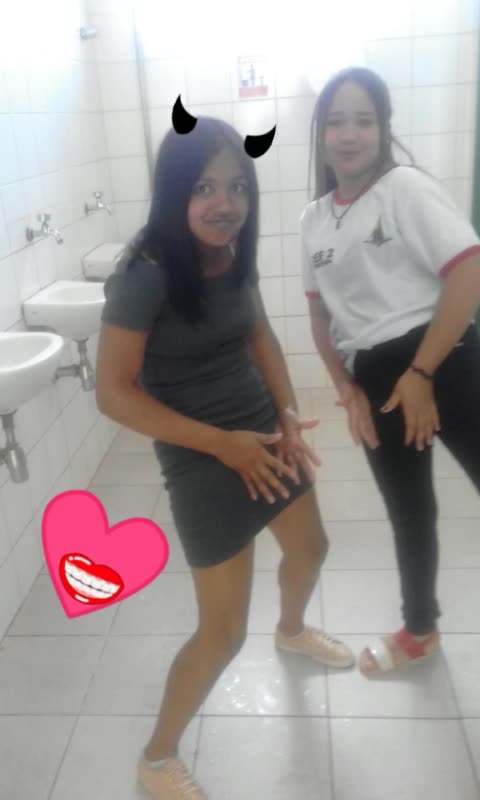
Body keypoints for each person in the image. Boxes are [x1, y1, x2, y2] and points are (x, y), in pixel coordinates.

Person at [96, 117, 355, 800]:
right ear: (173, 191)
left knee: (312, 550)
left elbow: (260, 333)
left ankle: (292, 631)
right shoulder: (146, 275)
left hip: (260, 435)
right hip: (200, 456)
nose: (224, 203)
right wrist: (221, 444)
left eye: (237, 186)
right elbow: (113, 394)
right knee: (222, 632)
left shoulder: (230, 249)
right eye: (204, 187)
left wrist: (285, 412)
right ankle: (157, 757)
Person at [301, 66, 480, 677]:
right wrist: (346, 389)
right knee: (409, 511)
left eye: (364, 121)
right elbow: (320, 317)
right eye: (336, 122)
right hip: (376, 381)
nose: (349, 135)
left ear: (383, 128)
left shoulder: (405, 188)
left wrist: (422, 374)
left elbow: (467, 272)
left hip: (446, 362)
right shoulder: (313, 220)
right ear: (321, 133)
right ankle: (420, 629)